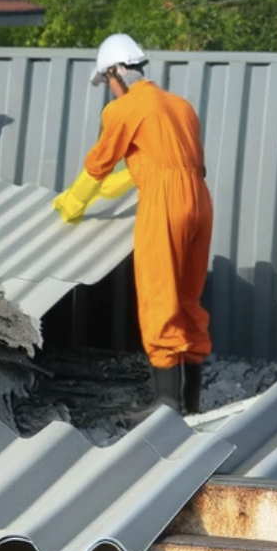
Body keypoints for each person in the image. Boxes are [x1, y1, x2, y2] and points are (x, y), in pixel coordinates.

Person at [52, 34, 213, 415]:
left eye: (107, 81)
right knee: (188, 298)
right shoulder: (181, 106)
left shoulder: (123, 110)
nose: (109, 89)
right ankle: (191, 401)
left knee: (160, 295)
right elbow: (160, 165)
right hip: (200, 199)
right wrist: (120, 186)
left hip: (166, 203)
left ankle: (166, 404)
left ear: (117, 71)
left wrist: (72, 204)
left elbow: (99, 166)